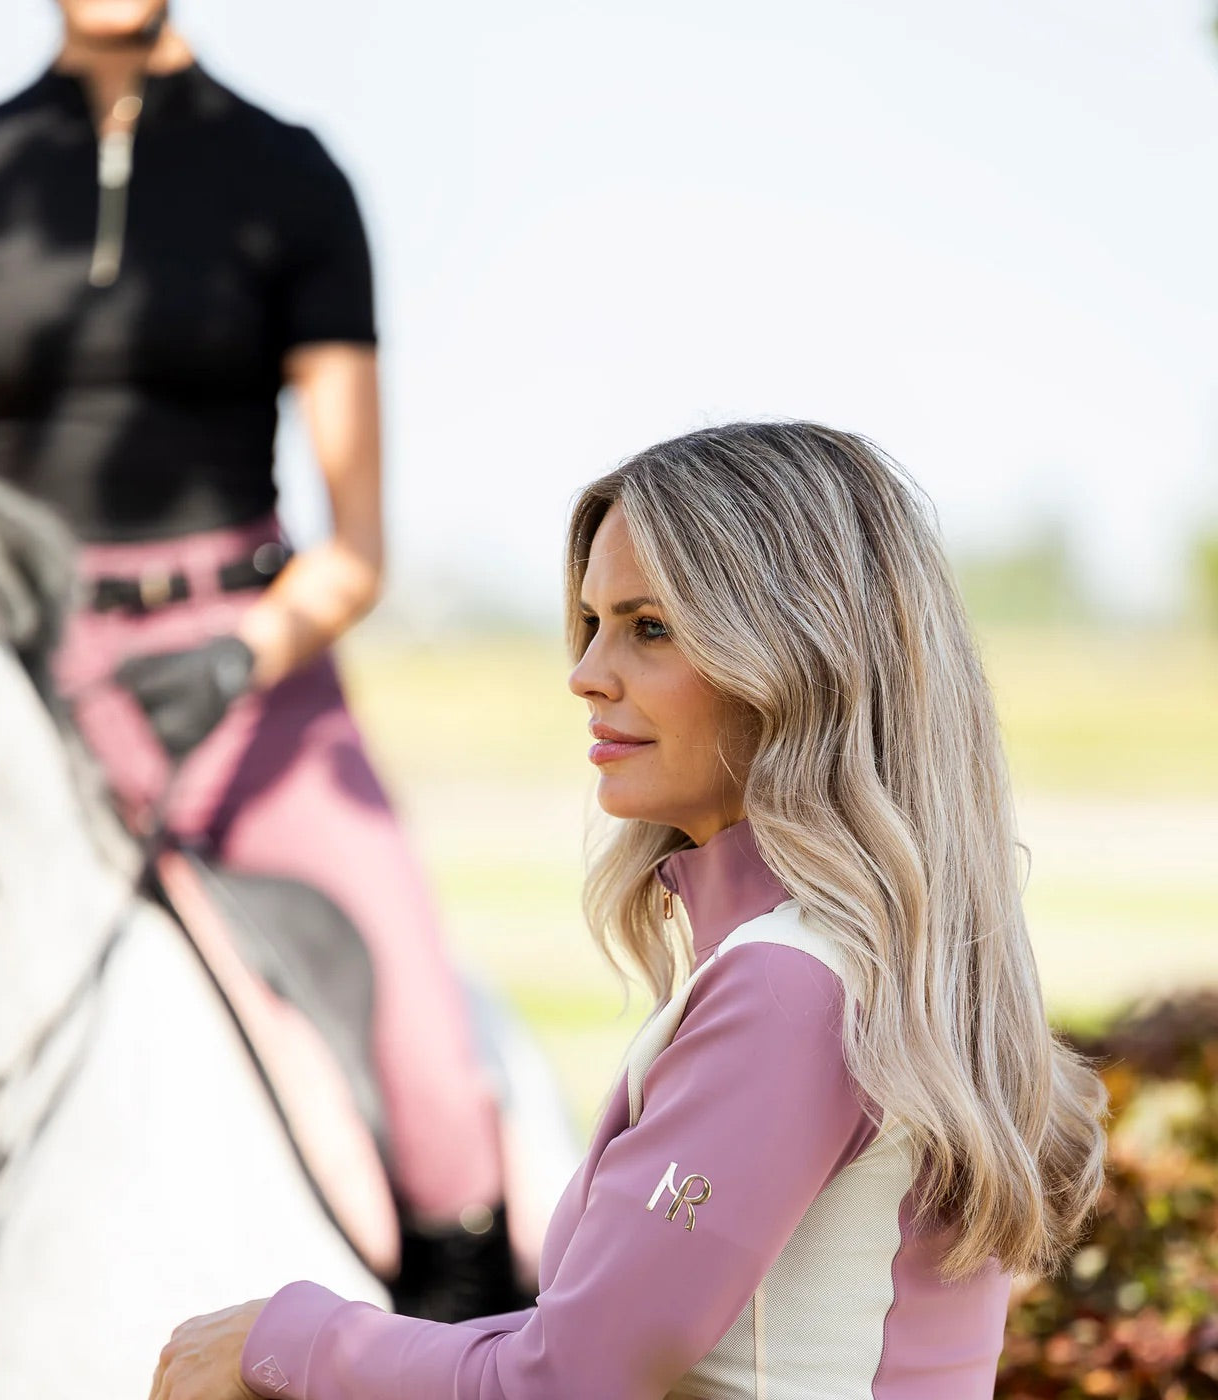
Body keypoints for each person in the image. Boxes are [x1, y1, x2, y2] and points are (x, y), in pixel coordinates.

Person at [146, 421, 1110, 1400]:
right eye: (593, 622)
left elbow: (565, 1378)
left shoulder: (790, 986)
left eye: (648, 627)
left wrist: (289, 1337)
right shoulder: (869, 958)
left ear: (796, 657)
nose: (585, 672)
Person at [0, 0, 517, 1319]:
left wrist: (236, 658)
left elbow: (358, 548)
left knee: (432, 1064)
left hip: (252, 669)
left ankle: (471, 1327)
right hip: (18, 674)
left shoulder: (291, 176)